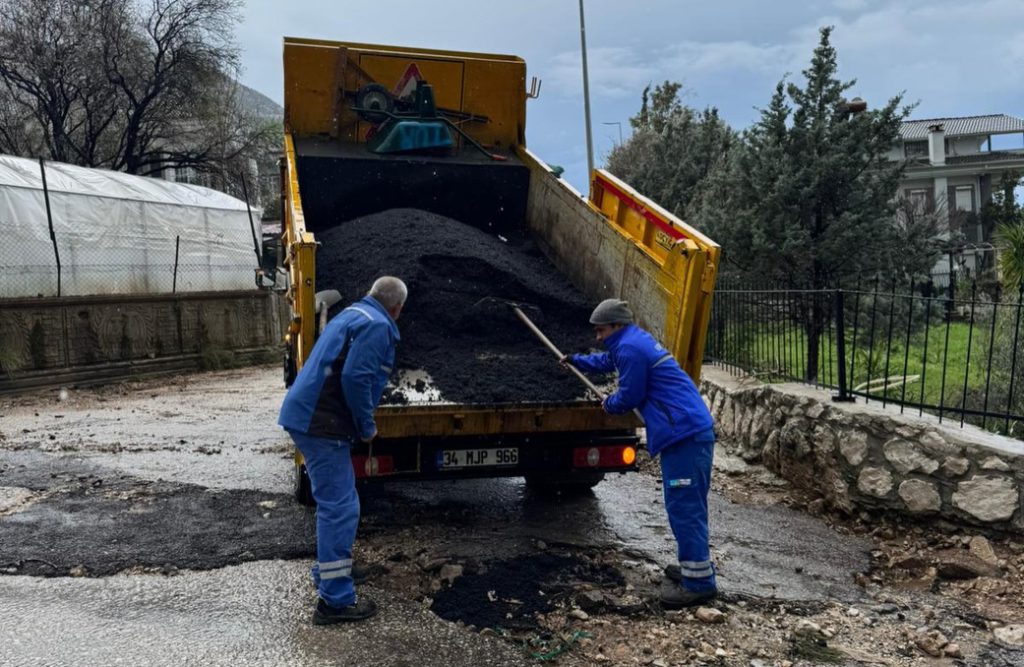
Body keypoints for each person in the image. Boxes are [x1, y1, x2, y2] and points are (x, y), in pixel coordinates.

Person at [563, 298, 718, 608]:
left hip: (684, 435)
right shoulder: (632, 342)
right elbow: (608, 362)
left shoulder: (630, 348)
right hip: (686, 433)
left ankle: (699, 584)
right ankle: (694, 569)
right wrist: (577, 361)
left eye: (601, 330)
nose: (598, 337)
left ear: (617, 325)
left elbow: (630, 395)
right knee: (686, 505)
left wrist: (610, 404)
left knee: (685, 508)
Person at [278, 276, 407, 624]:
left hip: (311, 417)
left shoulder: (353, 314)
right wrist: (366, 425)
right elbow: (356, 377)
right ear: (397, 309)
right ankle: (334, 601)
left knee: (338, 503)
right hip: (322, 423)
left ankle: (332, 571)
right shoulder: (378, 325)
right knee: (340, 508)